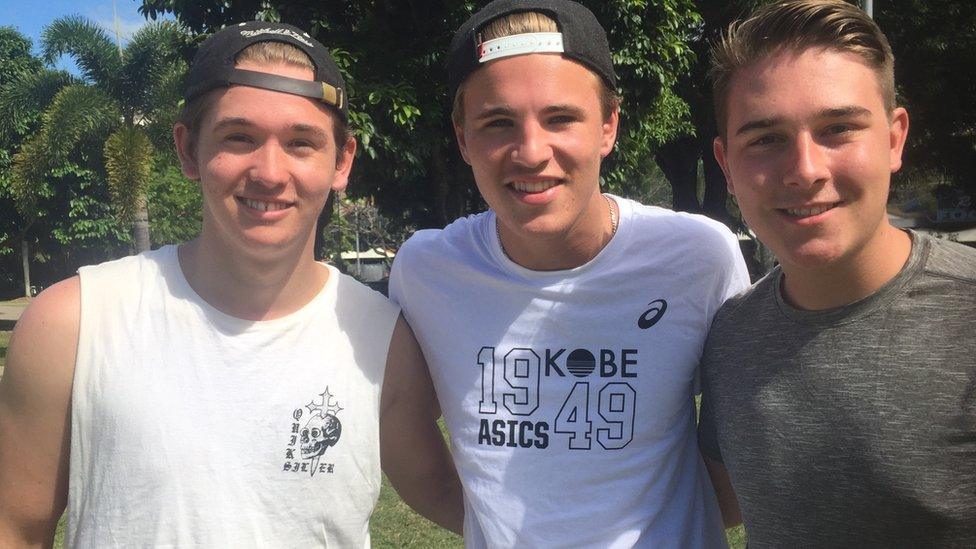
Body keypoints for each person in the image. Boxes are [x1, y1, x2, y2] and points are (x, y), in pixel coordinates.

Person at [0, 21, 461, 547]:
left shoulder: (382, 341)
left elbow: (455, 498)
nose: (268, 172)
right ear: (188, 149)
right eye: (238, 137)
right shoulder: (74, 323)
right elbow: (15, 527)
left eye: (301, 142)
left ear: (342, 161)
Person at [388, 1, 749, 546]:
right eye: (498, 123)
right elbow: (407, 436)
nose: (531, 152)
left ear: (608, 127)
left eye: (560, 119)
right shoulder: (426, 270)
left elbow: (744, 452)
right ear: (463, 139)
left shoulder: (697, 257)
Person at [699, 0, 976, 546]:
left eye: (838, 128)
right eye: (765, 139)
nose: (804, 170)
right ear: (727, 165)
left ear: (894, 139)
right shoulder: (730, 337)